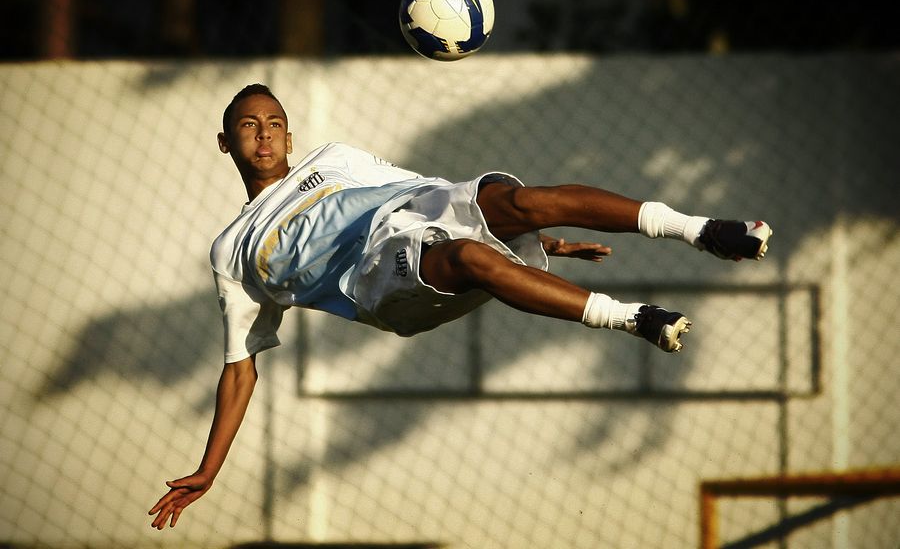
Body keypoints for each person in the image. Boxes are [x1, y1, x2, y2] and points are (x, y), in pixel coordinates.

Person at [149, 83, 772, 529]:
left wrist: (538, 239)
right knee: (473, 261)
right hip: (377, 280)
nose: (264, 133)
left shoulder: (333, 157)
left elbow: (423, 193)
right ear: (226, 142)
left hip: (415, 213)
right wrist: (210, 469)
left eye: (275, 121)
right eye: (249, 126)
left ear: (291, 131)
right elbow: (241, 366)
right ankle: (632, 317)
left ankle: (700, 228)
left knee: (519, 201)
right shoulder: (233, 248)